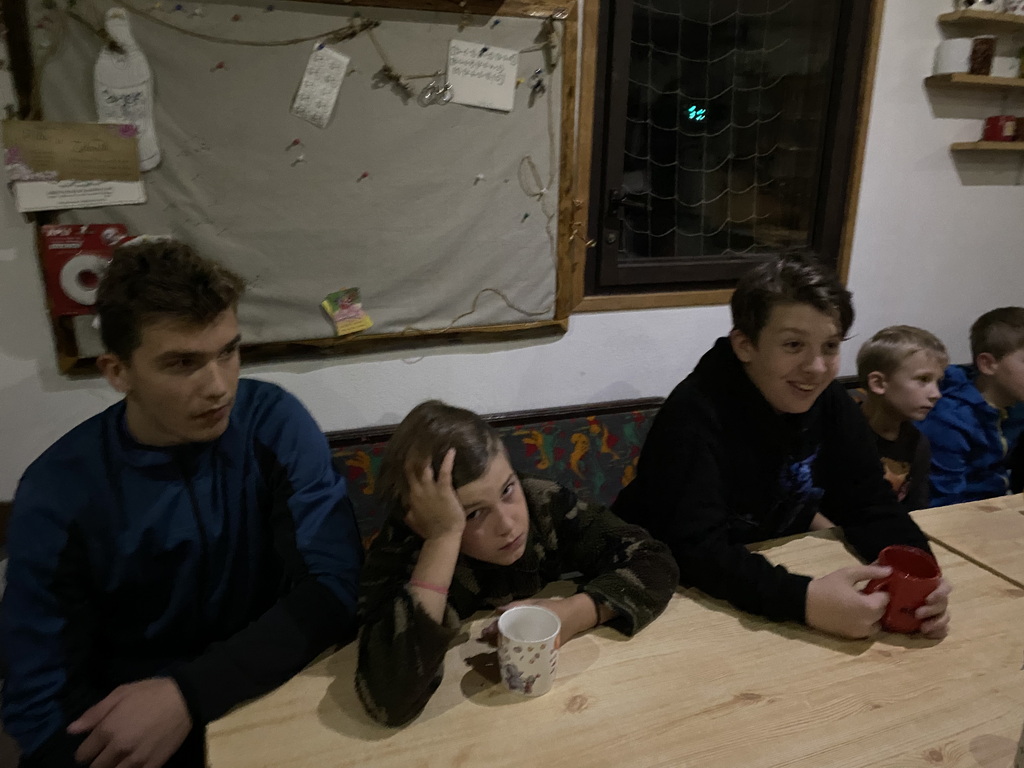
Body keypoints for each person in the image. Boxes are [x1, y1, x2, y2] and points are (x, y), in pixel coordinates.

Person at [0, 240, 363, 768]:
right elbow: (38, 696)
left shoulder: (273, 422)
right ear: (117, 371)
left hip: (261, 692)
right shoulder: (59, 491)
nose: (218, 387)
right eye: (182, 363)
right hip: (126, 725)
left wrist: (188, 694)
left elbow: (332, 588)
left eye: (228, 352)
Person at [613, 253, 950, 641]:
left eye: (830, 346)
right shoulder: (693, 415)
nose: (817, 368)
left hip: (760, 573)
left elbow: (869, 503)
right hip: (656, 582)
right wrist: (803, 601)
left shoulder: (830, 401)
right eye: (793, 345)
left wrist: (922, 575)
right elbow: (694, 550)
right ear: (745, 345)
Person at [354, 400, 678, 727]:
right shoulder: (405, 551)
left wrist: (576, 613)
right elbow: (390, 699)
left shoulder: (543, 503)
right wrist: (442, 539)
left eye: (507, 489)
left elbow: (653, 559)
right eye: (473, 513)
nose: (508, 525)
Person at [918, 307, 1024, 507]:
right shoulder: (950, 419)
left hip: (1002, 504)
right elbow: (944, 501)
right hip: (963, 512)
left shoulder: (1017, 405)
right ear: (988, 364)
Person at [853, 326, 949, 512]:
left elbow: (917, 509)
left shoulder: (918, 443)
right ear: (879, 383)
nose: (936, 394)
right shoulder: (842, 436)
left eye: (938, 382)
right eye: (923, 379)